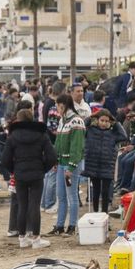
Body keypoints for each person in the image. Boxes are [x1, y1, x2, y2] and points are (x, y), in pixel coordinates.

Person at [0, 107, 56, 249]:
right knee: (34, 206)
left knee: (22, 205)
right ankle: (36, 239)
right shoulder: (41, 134)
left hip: (20, 174)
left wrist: (14, 170)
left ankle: (22, 239)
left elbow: (4, 159)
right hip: (37, 174)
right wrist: (43, 168)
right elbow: (52, 156)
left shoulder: (12, 136)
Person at [49, 91, 86, 237]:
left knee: (72, 196)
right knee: (61, 196)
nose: (56, 108)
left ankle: (72, 226)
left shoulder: (76, 121)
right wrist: (55, 160)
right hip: (61, 163)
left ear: (63, 105)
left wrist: (71, 166)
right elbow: (58, 142)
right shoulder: (62, 120)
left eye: (57, 105)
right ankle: (59, 225)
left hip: (71, 165)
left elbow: (77, 147)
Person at [83, 108, 127, 214]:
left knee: (106, 191)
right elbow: (83, 126)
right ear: (97, 120)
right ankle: (95, 212)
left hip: (107, 165)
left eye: (107, 121)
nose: (104, 123)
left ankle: (104, 213)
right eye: (102, 120)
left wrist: (116, 123)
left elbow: (124, 136)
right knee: (96, 190)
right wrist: (92, 116)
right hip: (93, 164)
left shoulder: (113, 133)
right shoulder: (90, 130)